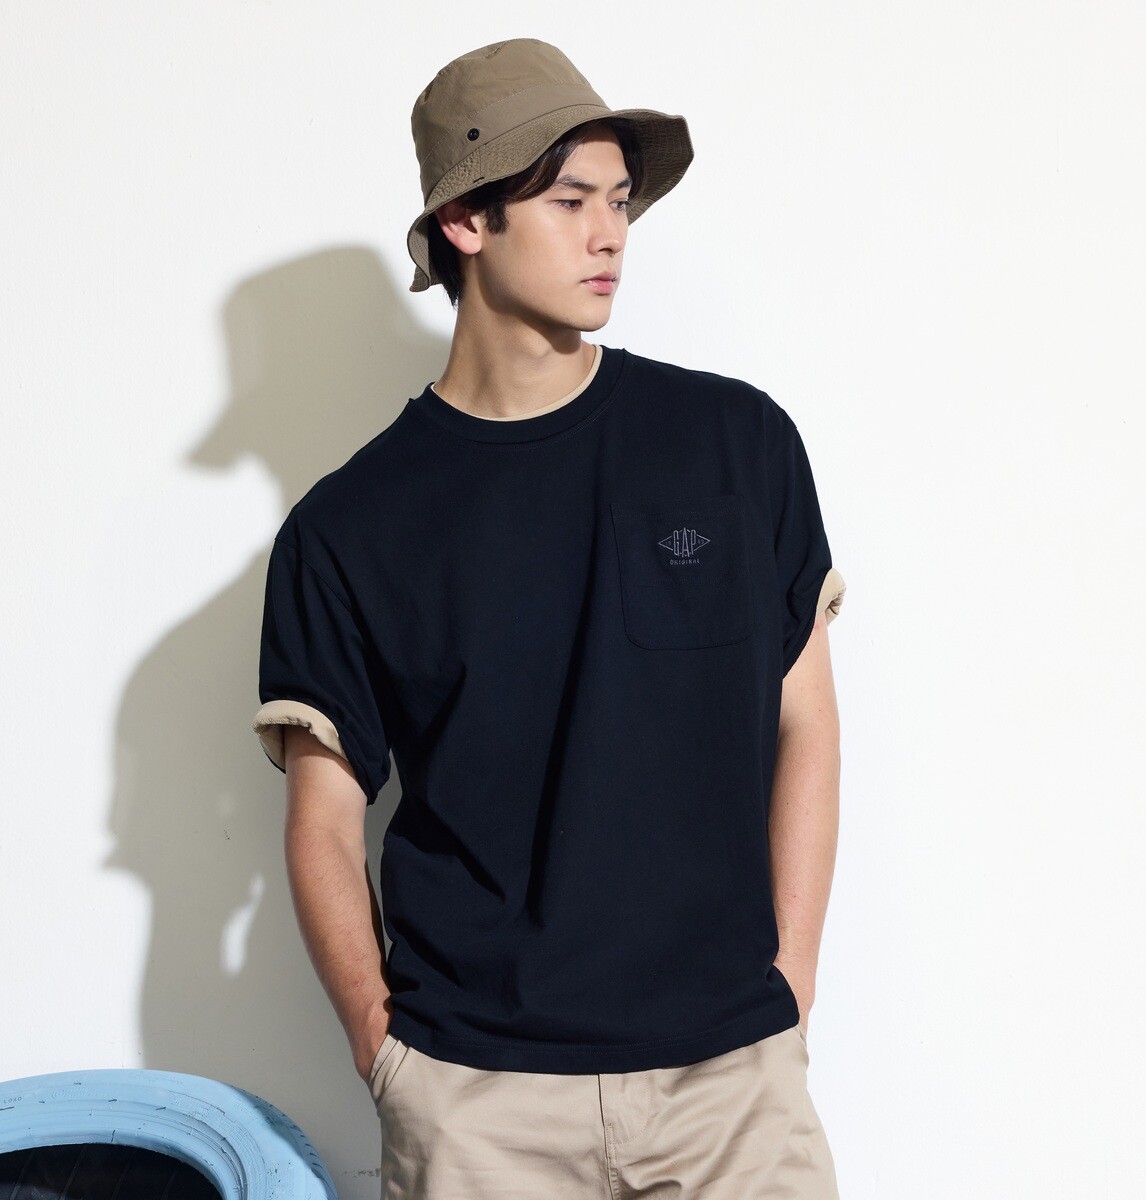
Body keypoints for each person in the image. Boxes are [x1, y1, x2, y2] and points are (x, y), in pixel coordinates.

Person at [252, 36, 847, 1199]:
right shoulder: (349, 526)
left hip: (733, 1088)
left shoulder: (736, 445)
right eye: (570, 200)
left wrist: (791, 981)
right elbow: (323, 816)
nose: (609, 233)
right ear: (465, 221)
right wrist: (386, 1051)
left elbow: (807, 721)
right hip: (482, 1106)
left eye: (620, 201)